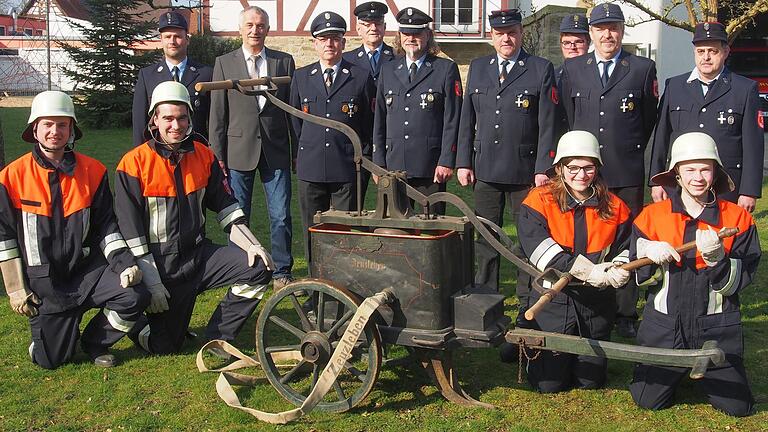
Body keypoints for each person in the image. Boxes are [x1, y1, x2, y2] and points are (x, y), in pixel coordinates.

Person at [116, 81, 273, 355]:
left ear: (189, 117)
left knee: (257, 267)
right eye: (167, 118)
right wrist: (151, 280)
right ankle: (137, 322)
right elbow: (130, 229)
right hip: (161, 265)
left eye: (181, 117)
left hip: (199, 256)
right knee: (164, 346)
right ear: (154, 119)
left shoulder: (204, 155)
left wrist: (251, 244)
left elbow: (226, 207)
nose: (175, 125)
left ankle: (217, 339)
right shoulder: (133, 163)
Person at [0, 91, 149, 368]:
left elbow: (107, 226)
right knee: (50, 360)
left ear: (71, 129)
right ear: (35, 128)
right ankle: (51, 336)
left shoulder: (93, 171)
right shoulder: (11, 177)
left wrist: (124, 263)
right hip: (46, 286)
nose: (54, 131)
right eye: (47, 124)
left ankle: (95, 342)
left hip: (86, 272)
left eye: (62, 124)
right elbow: (4, 237)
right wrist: (15, 289)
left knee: (134, 294)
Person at [629, 132, 760, 417]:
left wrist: (718, 260)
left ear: (715, 172)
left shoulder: (738, 219)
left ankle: (713, 372)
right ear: (676, 173)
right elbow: (642, 279)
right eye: (689, 169)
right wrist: (647, 253)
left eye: (705, 169)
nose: (697, 177)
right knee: (647, 401)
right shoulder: (652, 216)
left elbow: (738, 283)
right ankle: (668, 368)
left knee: (739, 408)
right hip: (664, 329)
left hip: (716, 330)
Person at [559, 3, 659, 338]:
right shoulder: (574, 69)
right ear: (591, 33)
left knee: (627, 241)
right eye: (601, 28)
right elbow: (569, 120)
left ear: (622, 31)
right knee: (585, 238)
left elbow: (648, 121)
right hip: (586, 175)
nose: (607, 34)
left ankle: (626, 312)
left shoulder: (642, 68)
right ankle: (586, 301)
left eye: (614, 27)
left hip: (625, 171)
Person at [517, 131, 631, 393]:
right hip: (553, 301)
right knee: (549, 385)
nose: (581, 174)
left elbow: (627, 248)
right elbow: (540, 250)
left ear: (597, 168)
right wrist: (587, 271)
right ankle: (524, 347)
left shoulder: (615, 206)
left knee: (590, 383)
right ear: (559, 168)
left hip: (595, 305)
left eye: (588, 167)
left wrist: (618, 269)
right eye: (573, 167)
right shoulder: (538, 201)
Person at [456, 8, 557, 295]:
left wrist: (543, 168)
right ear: (492, 36)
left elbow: (547, 123)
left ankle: (527, 294)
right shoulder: (478, 67)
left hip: (525, 172)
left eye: (511, 33)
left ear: (521, 33)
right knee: (486, 235)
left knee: (529, 237)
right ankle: (486, 294)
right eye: (500, 34)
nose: (506, 39)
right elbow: (467, 118)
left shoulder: (539, 68)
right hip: (485, 167)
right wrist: (463, 161)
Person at [209, 6, 296, 289]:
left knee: (281, 215)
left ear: (267, 29)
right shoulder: (224, 62)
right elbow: (218, 114)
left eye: (260, 25)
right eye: (249, 25)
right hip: (237, 151)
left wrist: (296, 152)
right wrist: (217, 155)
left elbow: (292, 112)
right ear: (240, 29)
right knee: (238, 216)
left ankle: (282, 271)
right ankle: (242, 269)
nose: (254, 30)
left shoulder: (284, 62)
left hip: (276, 150)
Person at [648, 22, 763, 213]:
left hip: (726, 185)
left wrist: (749, 191)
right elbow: (661, 137)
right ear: (694, 52)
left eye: (712, 51)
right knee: (680, 238)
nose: (706, 57)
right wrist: (656, 180)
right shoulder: (675, 86)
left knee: (724, 240)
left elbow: (753, 145)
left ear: (725, 52)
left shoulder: (744, 89)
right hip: (681, 183)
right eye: (701, 51)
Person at [290, 12, 375, 252]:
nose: (330, 44)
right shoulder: (302, 77)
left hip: (345, 166)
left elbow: (367, 122)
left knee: (342, 232)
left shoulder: (360, 76)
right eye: (324, 39)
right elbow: (296, 122)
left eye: (335, 38)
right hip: (311, 166)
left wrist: (364, 157)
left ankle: (339, 284)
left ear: (344, 43)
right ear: (315, 43)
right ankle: (315, 283)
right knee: (311, 230)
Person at [372, 7, 462, 215]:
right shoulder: (388, 70)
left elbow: (452, 119)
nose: (411, 38)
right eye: (406, 33)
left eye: (417, 33)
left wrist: (447, 160)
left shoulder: (445, 69)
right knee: (396, 229)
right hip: (394, 165)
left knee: (431, 227)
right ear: (399, 36)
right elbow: (380, 119)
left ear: (428, 35)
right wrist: (378, 162)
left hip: (430, 166)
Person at [132, 10, 212, 147]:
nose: (172, 41)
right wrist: (141, 153)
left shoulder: (206, 74)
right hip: (159, 151)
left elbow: (214, 119)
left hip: (196, 151)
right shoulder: (147, 76)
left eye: (177, 36)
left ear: (187, 40)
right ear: (161, 40)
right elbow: (140, 121)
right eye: (167, 37)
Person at [343, 1, 395, 201]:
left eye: (378, 23)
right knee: (352, 201)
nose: (373, 28)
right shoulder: (347, 61)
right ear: (358, 29)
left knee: (393, 201)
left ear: (384, 27)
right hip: (358, 141)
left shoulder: (397, 59)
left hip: (389, 139)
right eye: (367, 24)